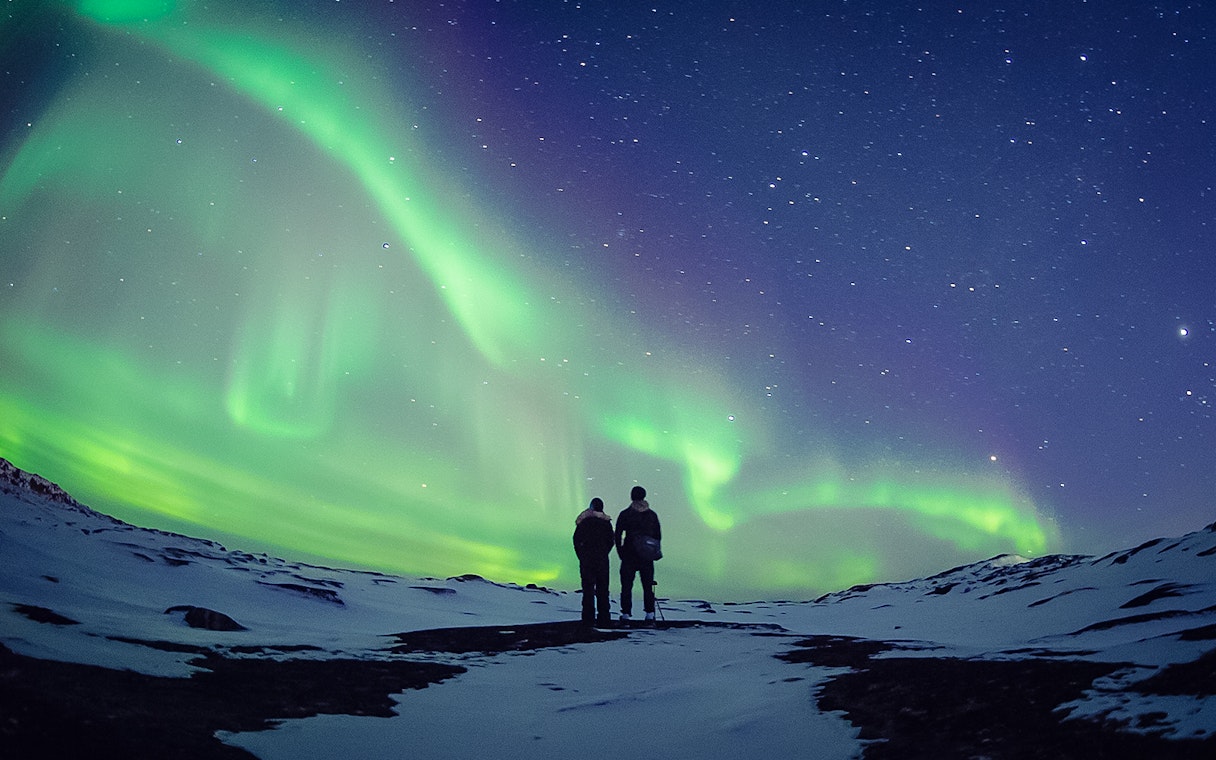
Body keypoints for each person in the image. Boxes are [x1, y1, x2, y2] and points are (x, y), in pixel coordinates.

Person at [615, 485, 661, 622]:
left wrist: (621, 552)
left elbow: (617, 535)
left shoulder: (625, 514)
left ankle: (626, 615)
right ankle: (650, 614)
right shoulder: (652, 515)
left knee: (627, 586)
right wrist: (653, 551)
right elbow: (658, 535)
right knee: (647, 586)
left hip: (629, 554)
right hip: (646, 556)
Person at [572, 497, 614, 626]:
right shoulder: (606, 523)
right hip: (602, 560)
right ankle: (604, 618)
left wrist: (582, 555)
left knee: (588, 589)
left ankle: (588, 619)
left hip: (587, 560)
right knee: (603, 589)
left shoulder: (584, 523)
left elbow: (576, 541)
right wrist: (603, 553)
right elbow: (611, 541)